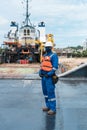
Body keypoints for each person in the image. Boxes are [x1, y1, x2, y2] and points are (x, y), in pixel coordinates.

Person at [39, 41, 58, 115]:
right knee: (45, 93)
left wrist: (49, 74)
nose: (46, 48)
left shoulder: (54, 55)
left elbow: (55, 67)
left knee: (50, 92)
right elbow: (42, 65)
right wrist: (40, 72)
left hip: (49, 77)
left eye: (48, 47)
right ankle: (48, 106)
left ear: (51, 48)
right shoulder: (44, 55)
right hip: (43, 77)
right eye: (46, 47)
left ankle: (53, 108)